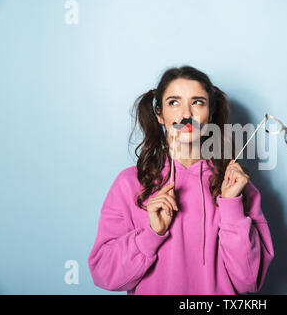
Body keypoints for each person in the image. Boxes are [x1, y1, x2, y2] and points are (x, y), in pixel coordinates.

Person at [87, 65, 275, 294]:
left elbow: (249, 281)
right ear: (159, 114)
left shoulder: (236, 187)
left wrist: (231, 206)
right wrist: (151, 235)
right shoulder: (129, 184)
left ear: (211, 114)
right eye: (174, 102)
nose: (186, 115)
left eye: (197, 102)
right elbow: (105, 275)